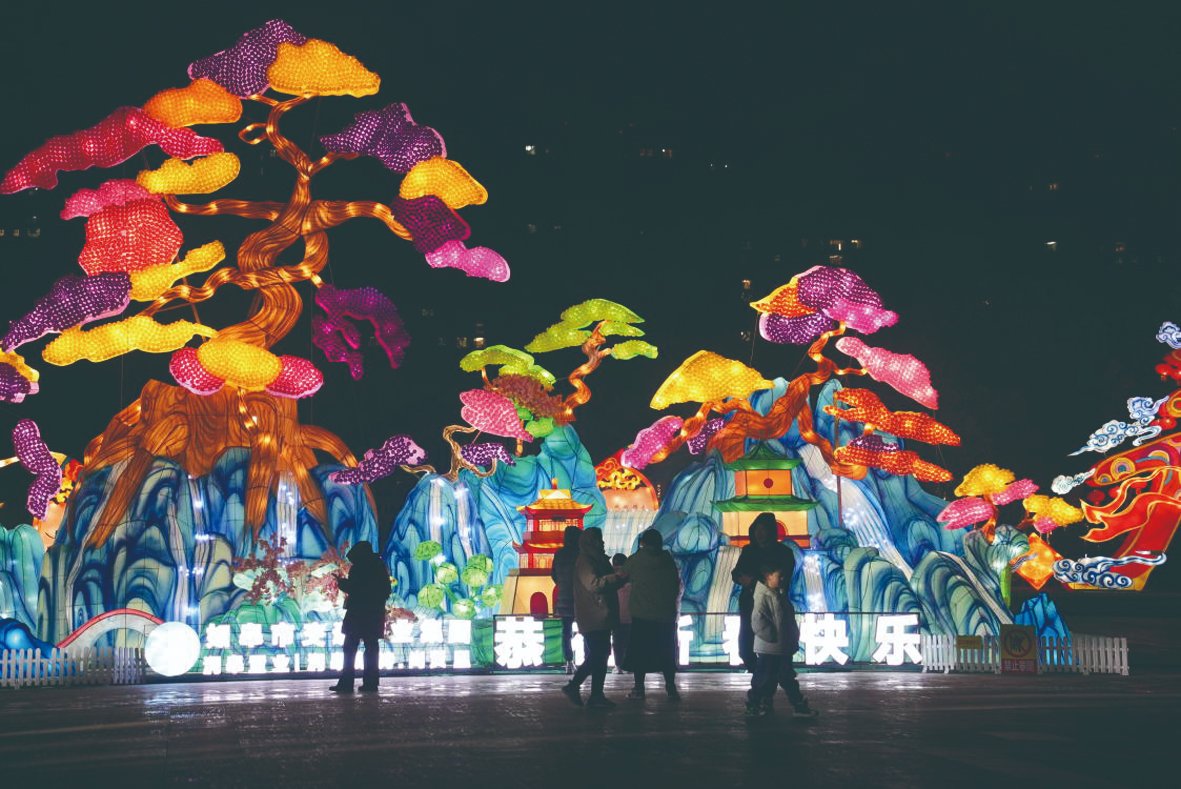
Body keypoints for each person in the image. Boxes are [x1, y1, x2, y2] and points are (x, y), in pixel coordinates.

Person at [561, 527, 625, 708]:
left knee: (601, 654)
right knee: (599, 654)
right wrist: (616, 578)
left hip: (601, 614)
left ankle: (596, 694)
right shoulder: (586, 561)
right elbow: (593, 584)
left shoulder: (595, 559)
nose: (602, 543)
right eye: (599, 540)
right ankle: (575, 686)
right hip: (594, 614)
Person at [746, 561, 817, 718]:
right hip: (771, 647)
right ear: (768, 576)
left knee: (772, 677)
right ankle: (758, 704)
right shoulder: (764, 596)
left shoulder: (776, 594)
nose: (783, 579)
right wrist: (772, 637)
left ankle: (761, 704)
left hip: (779, 647)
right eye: (780, 575)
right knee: (769, 678)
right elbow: (758, 620)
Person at [622, 529, 682, 701]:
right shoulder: (667, 560)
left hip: (642, 616)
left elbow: (622, 576)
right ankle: (670, 687)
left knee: (639, 654)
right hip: (665, 616)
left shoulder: (636, 560)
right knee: (666, 654)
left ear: (643, 543)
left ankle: (639, 689)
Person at [731, 512, 796, 671]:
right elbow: (736, 573)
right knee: (746, 646)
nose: (759, 534)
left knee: (772, 648)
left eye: (763, 529)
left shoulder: (784, 553)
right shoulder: (749, 551)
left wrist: (752, 582)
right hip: (750, 605)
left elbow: (780, 581)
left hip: (773, 607)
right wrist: (742, 579)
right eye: (757, 529)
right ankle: (759, 678)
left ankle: (767, 687)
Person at [329, 541, 392, 693]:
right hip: (374, 613)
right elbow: (386, 590)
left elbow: (354, 588)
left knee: (350, 648)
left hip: (357, 613)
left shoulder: (359, 568)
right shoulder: (379, 566)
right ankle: (371, 683)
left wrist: (341, 583)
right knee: (371, 647)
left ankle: (346, 682)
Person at [551, 525, 582, 674]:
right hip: (581, 599)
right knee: (586, 630)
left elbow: (553, 575)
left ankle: (569, 661)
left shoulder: (559, 554)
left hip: (564, 598)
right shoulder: (581, 554)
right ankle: (588, 660)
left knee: (566, 631)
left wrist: (563, 584)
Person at [611, 553, 631, 673]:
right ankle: (628, 666)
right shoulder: (631, 576)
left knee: (617, 642)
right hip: (630, 616)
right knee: (629, 642)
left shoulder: (611, 577)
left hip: (616, 616)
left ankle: (618, 666)